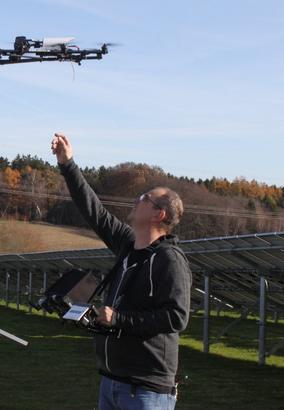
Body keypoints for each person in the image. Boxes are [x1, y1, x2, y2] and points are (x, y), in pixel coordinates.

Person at [50, 133, 192, 410]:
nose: (136, 201)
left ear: (158, 214)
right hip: (112, 381)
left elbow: (177, 317)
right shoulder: (128, 245)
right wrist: (67, 164)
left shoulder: (169, 259)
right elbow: (94, 211)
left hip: (145, 389)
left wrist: (120, 319)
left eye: (144, 198)